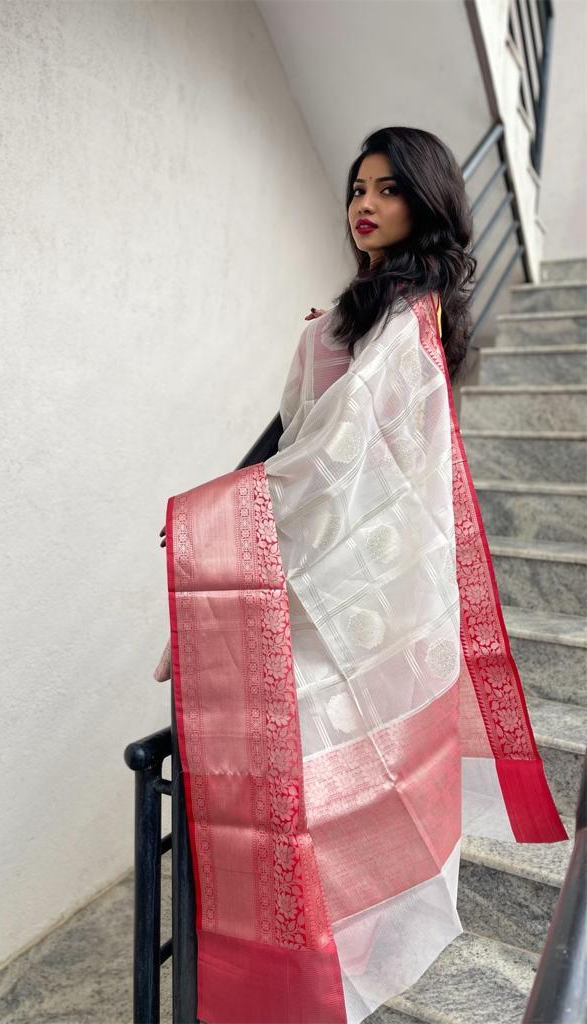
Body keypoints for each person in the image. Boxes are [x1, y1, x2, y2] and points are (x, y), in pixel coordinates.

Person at [152, 127, 567, 1024]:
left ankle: (319, 962)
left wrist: (212, 531)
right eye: (356, 187)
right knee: (296, 768)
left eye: (387, 188)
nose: (364, 203)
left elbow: (340, 457)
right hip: (313, 571)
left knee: (331, 769)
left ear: (424, 201)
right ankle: (292, 962)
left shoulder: (410, 315)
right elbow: (293, 440)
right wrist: (208, 571)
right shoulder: (355, 310)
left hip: (362, 582)